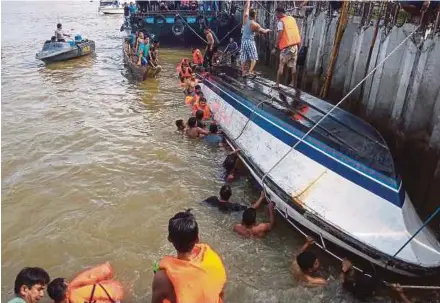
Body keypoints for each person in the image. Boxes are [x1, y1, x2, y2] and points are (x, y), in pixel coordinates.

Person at [151, 210, 227, 303]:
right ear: (197, 239)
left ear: (169, 239)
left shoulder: (162, 277)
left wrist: (161, 276)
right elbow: (221, 291)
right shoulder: (212, 257)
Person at [47, 263, 123, 303]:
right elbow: (103, 269)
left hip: (116, 295)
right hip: (112, 285)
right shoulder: (73, 288)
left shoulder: (75, 299)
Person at [240, 0, 271, 77]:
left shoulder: (245, 19)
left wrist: (248, 1)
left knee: (244, 58)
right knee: (254, 58)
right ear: (255, 15)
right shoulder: (255, 25)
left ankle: (243, 73)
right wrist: (268, 30)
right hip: (250, 41)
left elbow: (246, 8)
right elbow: (263, 32)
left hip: (243, 41)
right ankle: (250, 71)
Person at [272, 7, 301, 88]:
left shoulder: (281, 22)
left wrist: (275, 47)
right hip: (295, 46)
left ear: (280, 13)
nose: (276, 16)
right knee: (293, 65)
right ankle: (292, 83)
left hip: (287, 47)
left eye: (276, 14)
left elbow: (280, 35)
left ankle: (277, 84)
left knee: (281, 65)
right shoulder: (292, 19)